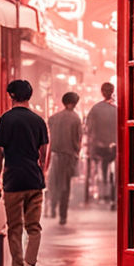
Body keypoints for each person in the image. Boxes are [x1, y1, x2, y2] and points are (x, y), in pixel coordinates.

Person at [0, 79, 49, 266]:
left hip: (13, 181)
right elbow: (44, 152)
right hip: (34, 181)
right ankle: (30, 264)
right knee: (33, 228)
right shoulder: (38, 121)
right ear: (29, 96)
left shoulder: (6, 120)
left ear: (11, 95)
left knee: (14, 227)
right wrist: (41, 172)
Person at [46, 92, 82, 226]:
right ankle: (62, 215)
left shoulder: (53, 118)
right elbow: (77, 140)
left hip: (55, 155)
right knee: (65, 187)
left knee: (53, 183)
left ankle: (52, 208)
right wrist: (76, 153)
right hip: (68, 157)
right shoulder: (76, 119)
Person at [85, 82, 118, 206]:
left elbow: (88, 128)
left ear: (102, 92)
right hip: (114, 147)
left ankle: (102, 194)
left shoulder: (95, 109)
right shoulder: (116, 109)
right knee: (112, 171)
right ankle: (112, 196)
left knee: (99, 169)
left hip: (98, 147)